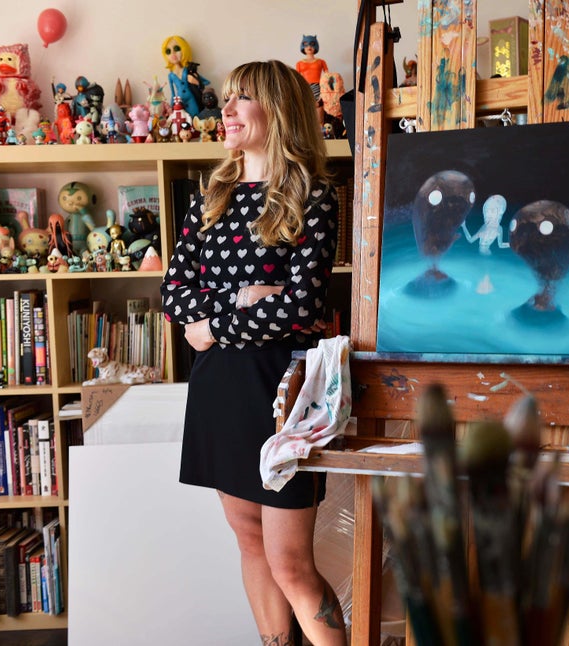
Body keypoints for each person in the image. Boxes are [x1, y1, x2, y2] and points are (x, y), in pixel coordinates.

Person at [160, 60, 346, 646]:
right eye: (229, 98)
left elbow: (299, 308)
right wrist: (241, 304)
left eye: (245, 98)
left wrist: (211, 322)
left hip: (282, 395)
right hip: (218, 388)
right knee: (249, 544)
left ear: (279, 112)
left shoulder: (313, 198)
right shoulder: (210, 197)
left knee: (290, 562)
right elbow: (173, 290)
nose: (229, 108)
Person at [162, 35, 210, 118]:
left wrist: (195, 81)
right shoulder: (171, 75)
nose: (173, 53)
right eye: (168, 51)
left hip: (191, 97)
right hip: (180, 100)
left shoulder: (188, 70)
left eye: (176, 49)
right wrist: (171, 106)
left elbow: (205, 82)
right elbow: (173, 93)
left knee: (195, 115)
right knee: (182, 119)